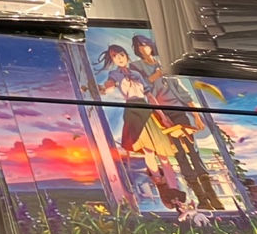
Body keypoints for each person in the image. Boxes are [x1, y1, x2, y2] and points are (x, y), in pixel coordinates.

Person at [130, 34, 223, 209]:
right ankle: (202, 198)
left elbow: (182, 90)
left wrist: (196, 115)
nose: (143, 48)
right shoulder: (136, 66)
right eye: (139, 46)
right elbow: (142, 87)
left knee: (193, 151)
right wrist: (157, 75)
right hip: (162, 113)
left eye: (145, 44)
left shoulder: (164, 62)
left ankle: (213, 197)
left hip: (179, 109)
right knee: (179, 153)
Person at [95, 44, 186, 209]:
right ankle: (160, 183)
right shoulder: (114, 74)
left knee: (164, 154)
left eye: (121, 54)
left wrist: (163, 116)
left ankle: (174, 191)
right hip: (133, 112)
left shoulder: (137, 74)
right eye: (115, 56)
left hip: (148, 111)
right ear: (112, 60)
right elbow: (110, 85)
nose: (119, 58)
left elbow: (149, 96)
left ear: (126, 56)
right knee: (149, 151)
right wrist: (104, 89)